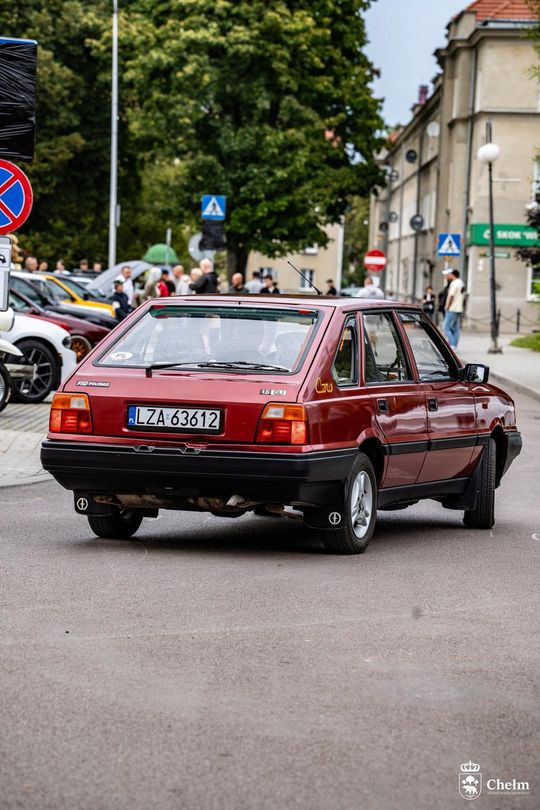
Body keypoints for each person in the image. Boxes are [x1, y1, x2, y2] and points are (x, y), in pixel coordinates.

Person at [443, 269, 465, 348]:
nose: (448, 276)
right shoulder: (461, 283)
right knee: (455, 328)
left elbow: (451, 295)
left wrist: (448, 306)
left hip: (452, 308)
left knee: (446, 328)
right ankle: (454, 345)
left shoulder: (454, 283)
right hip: (458, 308)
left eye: (449, 275)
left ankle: (451, 344)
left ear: (453, 275)